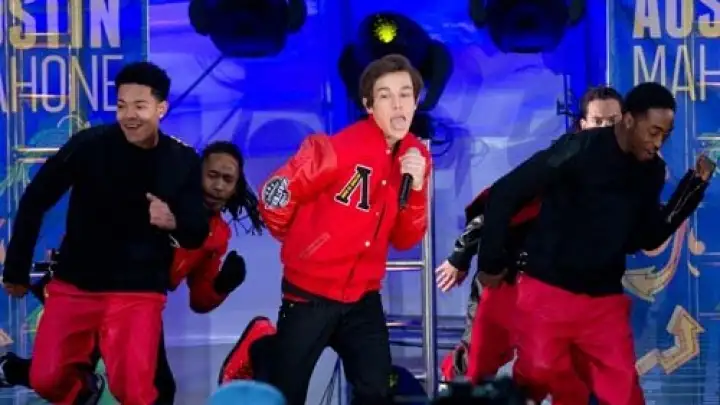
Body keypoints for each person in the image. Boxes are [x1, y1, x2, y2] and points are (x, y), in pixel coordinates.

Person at [478, 82, 712, 405]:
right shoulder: (577, 148)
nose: (658, 143)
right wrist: (490, 261)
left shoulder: (652, 171)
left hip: (603, 302)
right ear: (628, 120)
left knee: (624, 395)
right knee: (539, 375)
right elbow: (506, 192)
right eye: (653, 132)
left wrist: (693, 187)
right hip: (548, 291)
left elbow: (646, 237)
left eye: (665, 136)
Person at [1, 61, 210, 405]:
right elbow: (36, 197)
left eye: (140, 106)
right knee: (46, 379)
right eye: (121, 106)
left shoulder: (182, 159)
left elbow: (197, 232)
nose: (129, 115)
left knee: (134, 392)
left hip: (138, 291)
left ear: (161, 108)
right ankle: (84, 390)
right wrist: (16, 268)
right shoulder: (89, 145)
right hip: (76, 284)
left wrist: (173, 221)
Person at [0, 141, 261, 403]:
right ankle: (13, 370)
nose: (218, 186)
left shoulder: (217, 236)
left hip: (140, 303)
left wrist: (223, 285)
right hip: (96, 285)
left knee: (154, 388)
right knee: (69, 373)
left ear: (235, 187)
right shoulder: (159, 197)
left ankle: (10, 370)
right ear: (196, 174)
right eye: (212, 175)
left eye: (227, 179)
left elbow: (200, 300)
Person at [255, 54, 431, 405]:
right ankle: (261, 352)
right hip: (309, 295)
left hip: (363, 297)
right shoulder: (338, 149)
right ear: (369, 105)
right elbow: (273, 197)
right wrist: (304, 245)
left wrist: (416, 188)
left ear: (415, 102)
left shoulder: (415, 157)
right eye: (385, 96)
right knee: (285, 393)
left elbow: (405, 238)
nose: (398, 104)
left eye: (405, 94)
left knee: (376, 390)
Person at [437, 86, 624, 387]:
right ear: (583, 125)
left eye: (612, 122)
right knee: (477, 366)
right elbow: (498, 203)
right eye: (598, 122)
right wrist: (461, 254)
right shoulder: (558, 162)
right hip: (512, 279)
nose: (604, 130)